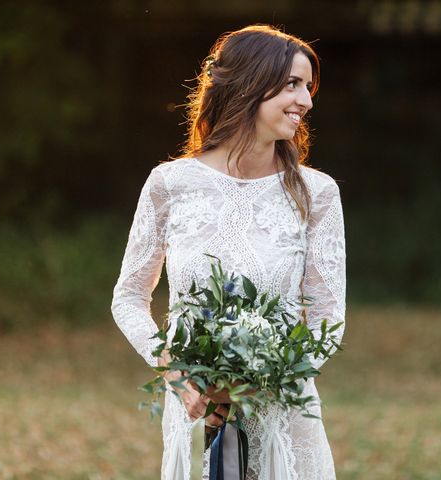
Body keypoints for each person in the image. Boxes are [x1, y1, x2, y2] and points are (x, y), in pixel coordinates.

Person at [111, 24, 346, 480]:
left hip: (283, 413)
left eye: (308, 87)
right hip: (195, 409)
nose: (307, 101)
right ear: (250, 85)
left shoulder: (317, 194)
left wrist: (264, 378)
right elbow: (129, 298)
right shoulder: (170, 185)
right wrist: (175, 372)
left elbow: (327, 315)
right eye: (292, 85)